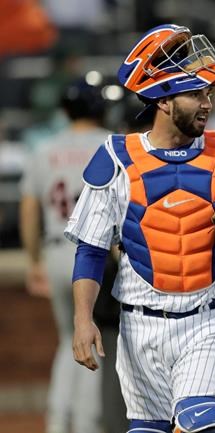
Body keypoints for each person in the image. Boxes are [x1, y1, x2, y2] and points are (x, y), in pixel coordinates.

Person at [64, 24, 215, 433]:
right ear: (161, 100)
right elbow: (90, 248)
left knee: (204, 423)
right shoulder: (115, 158)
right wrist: (82, 320)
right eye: (196, 94)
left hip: (209, 316)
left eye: (209, 93)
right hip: (139, 323)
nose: (207, 103)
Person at [19, 79, 110, 433]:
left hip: (55, 247)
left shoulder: (44, 148)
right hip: (93, 253)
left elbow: (29, 210)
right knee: (91, 337)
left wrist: (34, 262)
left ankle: (57, 423)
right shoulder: (110, 144)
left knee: (66, 340)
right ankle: (88, 424)